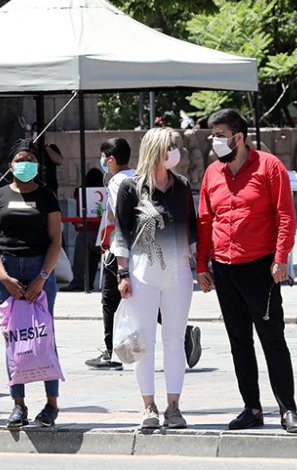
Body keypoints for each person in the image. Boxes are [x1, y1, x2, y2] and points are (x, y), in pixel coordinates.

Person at [196, 109, 297, 434]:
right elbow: (204, 221)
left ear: (238, 137)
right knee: (239, 342)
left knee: (272, 340)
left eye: (219, 134)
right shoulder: (212, 174)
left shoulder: (269, 167)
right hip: (224, 269)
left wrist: (282, 258)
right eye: (212, 134)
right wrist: (202, 265)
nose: (214, 141)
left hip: (262, 268)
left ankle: (288, 409)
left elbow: (286, 216)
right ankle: (252, 408)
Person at [113, 128, 197, 430]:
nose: (176, 152)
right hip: (141, 273)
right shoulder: (130, 188)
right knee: (142, 343)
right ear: (156, 150)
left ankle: (174, 407)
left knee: (174, 341)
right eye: (171, 146)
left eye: (177, 146)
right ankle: (148, 406)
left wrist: (201, 266)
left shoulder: (182, 186)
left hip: (178, 273)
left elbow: (192, 228)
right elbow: (120, 233)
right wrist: (122, 273)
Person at [0, 140, 64, 428]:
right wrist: (3, 276)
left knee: (44, 336)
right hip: (7, 271)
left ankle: (51, 403)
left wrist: (42, 277)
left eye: (30, 159)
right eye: (20, 159)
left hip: (39, 268)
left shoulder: (47, 196)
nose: (25, 163)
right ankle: (18, 405)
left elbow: (56, 239)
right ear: (10, 165)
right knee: (14, 338)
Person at [85, 137, 135, 370]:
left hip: (119, 249)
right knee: (138, 299)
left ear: (111, 159)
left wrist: (106, 243)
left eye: (104, 157)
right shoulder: (137, 176)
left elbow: (116, 218)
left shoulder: (116, 182)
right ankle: (183, 333)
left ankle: (110, 352)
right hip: (137, 248)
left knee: (109, 300)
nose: (103, 161)